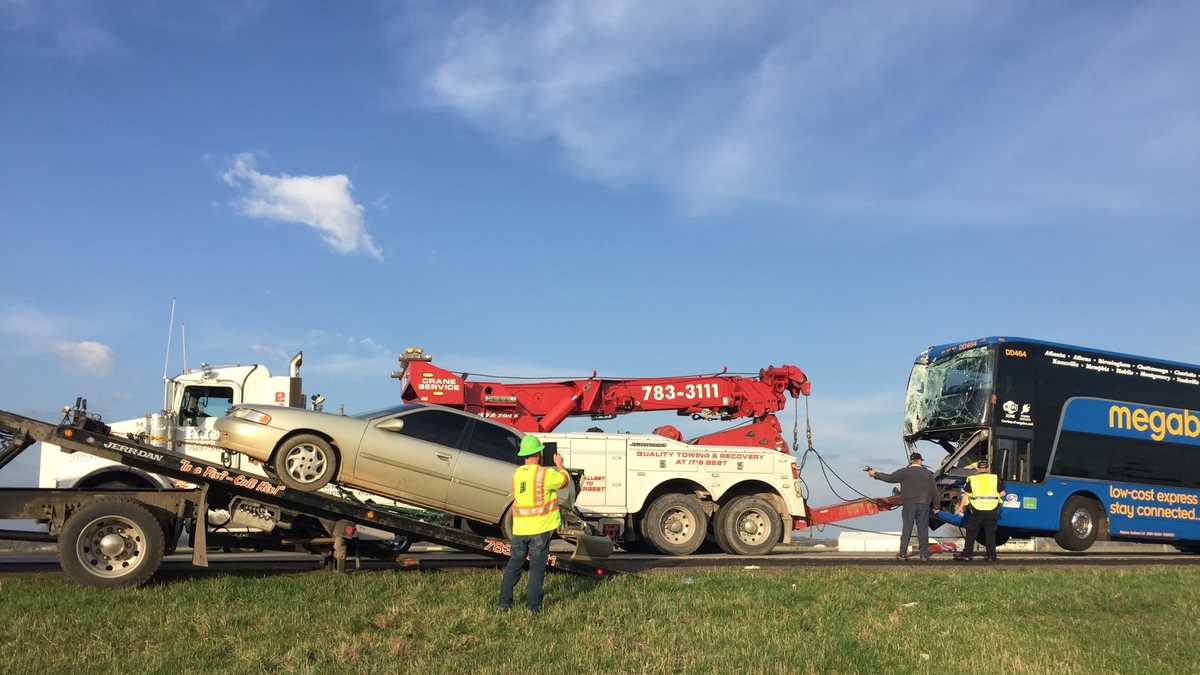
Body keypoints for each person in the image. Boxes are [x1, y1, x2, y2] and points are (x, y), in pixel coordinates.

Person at [498, 434, 569, 614]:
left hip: (520, 529)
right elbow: (564, 482)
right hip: (540, 529)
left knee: (514, 565)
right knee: (537, 570)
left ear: (524, 455)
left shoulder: (517, 474)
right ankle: (533, 608)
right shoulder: (546, 474)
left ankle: (504, 604)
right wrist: (560, 465)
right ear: (538, 454)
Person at [867, 453, 938, 561]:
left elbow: (889, 478)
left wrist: (875, 474)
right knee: (923, 529)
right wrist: (936, 506)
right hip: (924, 504)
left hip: (909, 504)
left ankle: (903, 553)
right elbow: (934, 491)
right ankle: (923, 555)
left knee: (907, 528)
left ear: (911, 461)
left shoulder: (904, 472)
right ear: (920, 461)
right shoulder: (928, 474)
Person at [954, 459, 1005, 562]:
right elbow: (1003, 493)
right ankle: (991, 556)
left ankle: (967, 554)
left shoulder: (973, 479)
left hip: (977, 509)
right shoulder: (994, 478)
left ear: (977, 469)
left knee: (971, 532)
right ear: (987, 469)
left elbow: (966, 495)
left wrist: (960, 507)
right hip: (992, 509)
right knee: (990, 533)